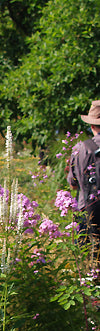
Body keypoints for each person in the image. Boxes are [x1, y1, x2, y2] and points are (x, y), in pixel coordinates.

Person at [67, 100, 100, 264]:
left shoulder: (81, 148)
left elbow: (73, 183)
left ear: (92, 125)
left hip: (87, 208)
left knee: (86, 256)